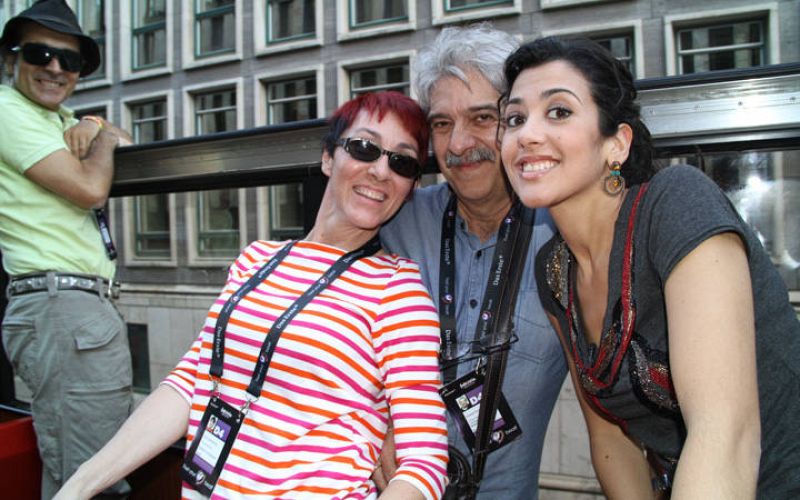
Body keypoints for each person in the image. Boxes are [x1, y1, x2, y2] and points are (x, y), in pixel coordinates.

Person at [54, 92, 449, 500]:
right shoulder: (256, 259)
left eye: (401, 162)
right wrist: (80, 484)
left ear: (411, 186)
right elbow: (192, 381)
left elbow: (425, 463)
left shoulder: (398, 289)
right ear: (328, 157)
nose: (381, 170)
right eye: (364, 148)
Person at [499, 36, 800, 498]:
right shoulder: (555, 271)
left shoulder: (675, 202)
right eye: (514, 119)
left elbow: (725, 434)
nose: (526, 135)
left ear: (616, 144)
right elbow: (609, 438)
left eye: (558, 111)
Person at [379, 25, 567, 499]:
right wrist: (375, 419)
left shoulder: (565, 234)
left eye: (482, 117)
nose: (459, 144)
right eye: (441, 124)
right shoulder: (393, 222)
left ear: (517, 121)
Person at [0, 0, 134, 497]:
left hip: (70, 308)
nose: (55, 68)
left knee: (80, 471)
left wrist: (97, 126)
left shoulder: (56, 119)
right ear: (11, 58)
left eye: (70, 61)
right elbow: (89, 190)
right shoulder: (7, 109)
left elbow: (125, 137)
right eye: (40, 53)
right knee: (91, 478)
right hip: (61, 307)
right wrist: (100, 135)